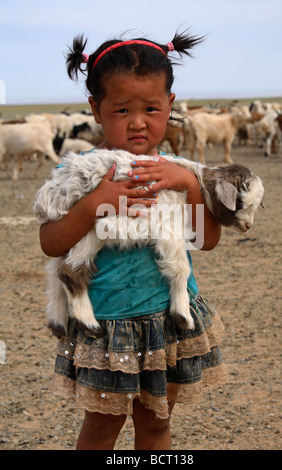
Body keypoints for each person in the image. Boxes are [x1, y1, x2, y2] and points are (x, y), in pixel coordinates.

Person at [38, 29, 228, 450]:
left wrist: (191, 186)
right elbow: (51, 242)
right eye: (122, 109)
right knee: (102, 427)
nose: (138, 121)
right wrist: (91, 206)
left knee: (157, 425)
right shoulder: (83, 171)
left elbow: (205, 239)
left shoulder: (178, 170)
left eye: (151, 108)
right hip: (107, 327)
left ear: (170, 107)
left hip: (167, 323)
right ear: (96, 109)